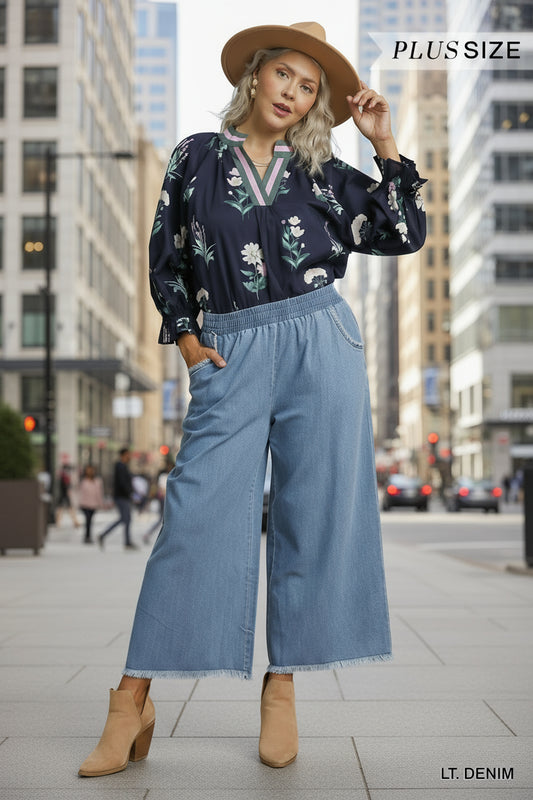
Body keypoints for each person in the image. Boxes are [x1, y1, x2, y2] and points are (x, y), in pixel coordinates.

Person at [79, 21, 426, 778]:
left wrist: (383, 141)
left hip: (320, 343)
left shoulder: (325, 174)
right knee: (193, 517)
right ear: (256, 74)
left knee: (314, 513)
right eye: (286, 77)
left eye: (309, 89)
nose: (294, 95)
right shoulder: (196, 157)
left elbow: (402, 232)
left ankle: (283, 686)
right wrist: (188, 341)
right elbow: (164, 255)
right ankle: (130, 700)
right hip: (231, 347)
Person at [97, 448, 137, 550]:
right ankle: (106, 536)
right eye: (128, 454)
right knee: (125, 519)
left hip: (123, 496)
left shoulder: (122, 466)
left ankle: (107, 536)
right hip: (121, 497)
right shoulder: (120, 466)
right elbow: (122, 482)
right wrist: (130, 493)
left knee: (125, 519)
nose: (129, 457)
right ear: (123, 455)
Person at [142, 461, 173, 545]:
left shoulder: (171, 476)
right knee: (163, 519)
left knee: (165, 519)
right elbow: (162, 489)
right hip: (164, 499)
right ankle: (148, 534)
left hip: (167, 499)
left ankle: (149, 535)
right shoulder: (164, 476)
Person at [78, 465, 105, 544]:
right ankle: (87, 536)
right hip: (85, 504)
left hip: (93, 504)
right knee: (87, 519)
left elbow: (99, 493)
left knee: (90, 520)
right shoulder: (83, 481)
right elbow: (80, 493)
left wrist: (101, 503)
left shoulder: (97, 481)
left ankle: (88, 536)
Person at [55, 464, 80, 528]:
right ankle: (75, 522)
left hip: (63, 495)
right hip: (64, 495)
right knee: (67, 508)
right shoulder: (64, 476)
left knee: (63, 508)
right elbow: (66, 486)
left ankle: (74, 522)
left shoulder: (62, 476)